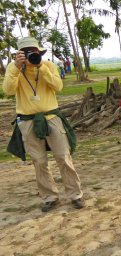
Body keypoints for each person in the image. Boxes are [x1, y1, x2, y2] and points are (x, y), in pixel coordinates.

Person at [2, 36, 84, 212]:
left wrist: (41, 67)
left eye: (34, 51)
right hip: (27, 120)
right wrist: (16, 67)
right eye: (26, 52)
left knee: (63, 156)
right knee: (39, 161)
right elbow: (8, 91)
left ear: (39, 52)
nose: (31, 54)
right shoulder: (13, 67)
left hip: (51, 117)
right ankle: (49, 197)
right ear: (19, 54)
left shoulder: (48, 65)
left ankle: (75, 195)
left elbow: (58, 87)